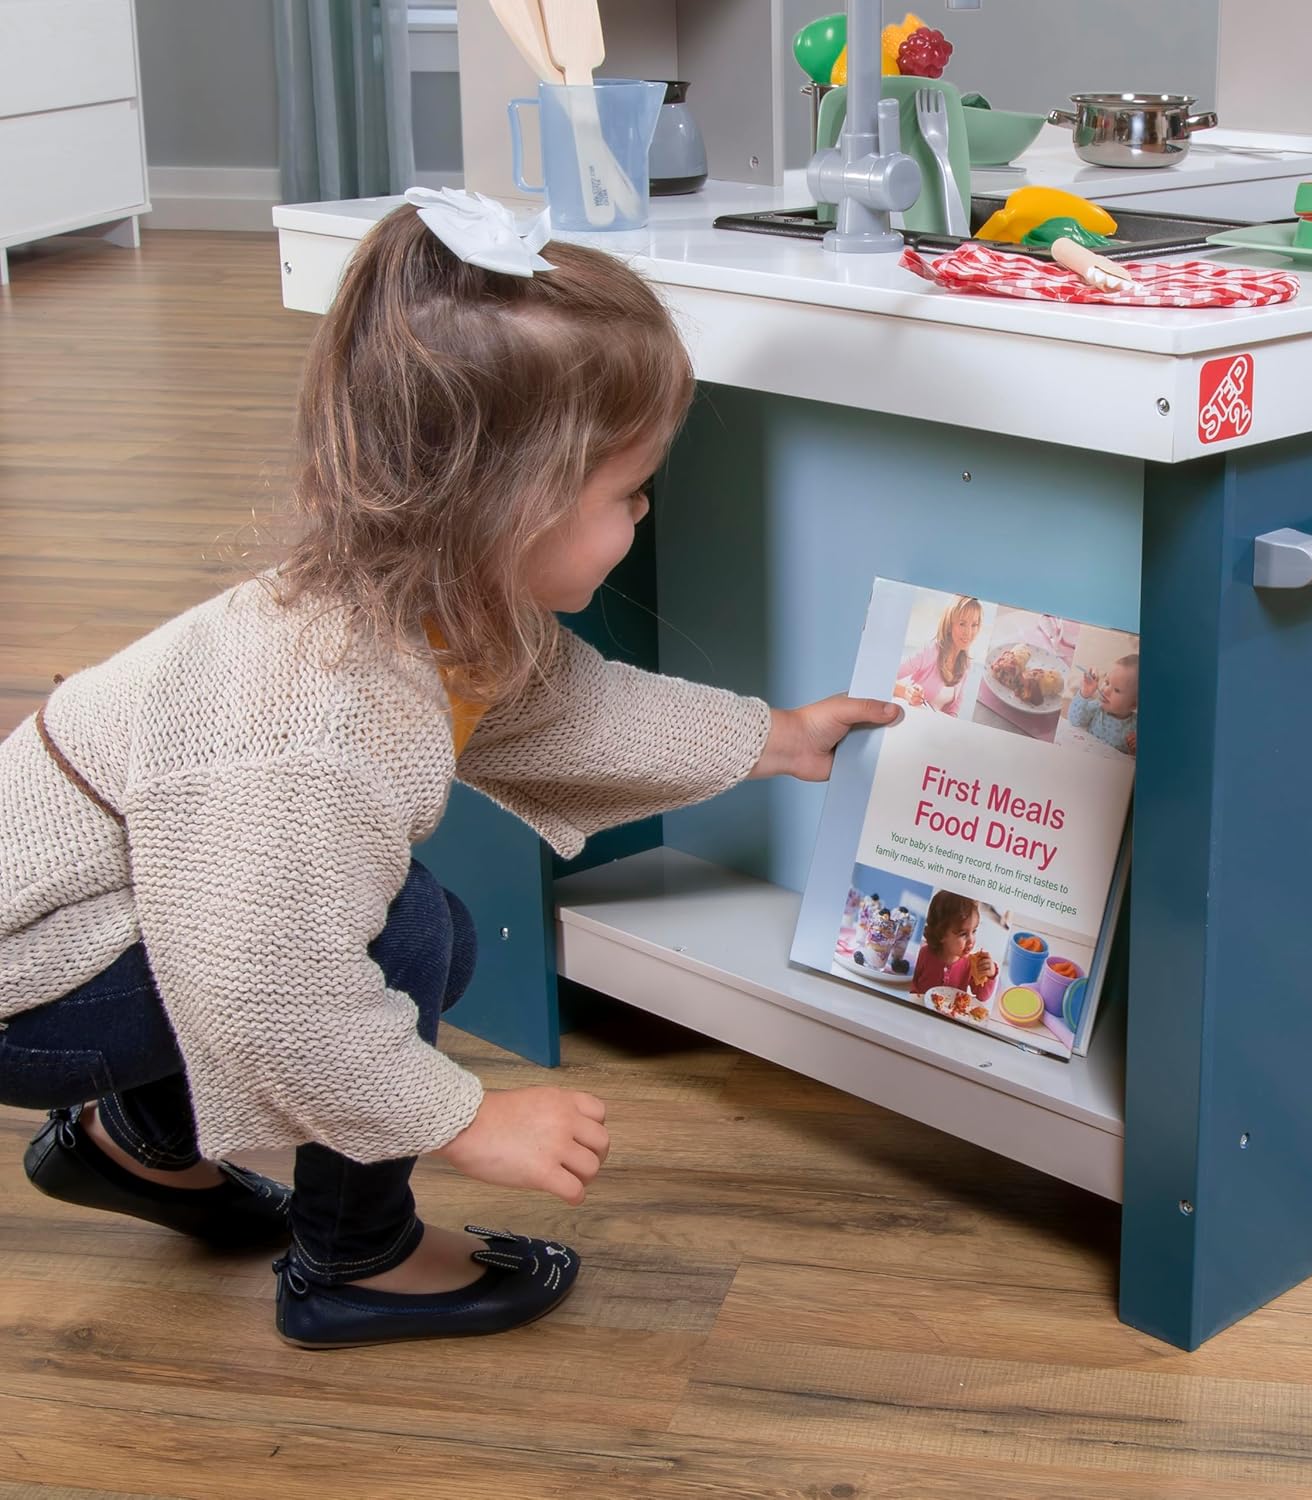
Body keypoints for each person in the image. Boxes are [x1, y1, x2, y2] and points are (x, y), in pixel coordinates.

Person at [0, 188, 899, 1350]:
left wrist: (775, 740)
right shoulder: (315, 713)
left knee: (409, 928)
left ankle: (144, 1148)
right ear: (514, 503)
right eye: (627, 492)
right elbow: (270, 988)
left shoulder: (430, 600)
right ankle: (358, 1262)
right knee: (402, 934)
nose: (643, 510)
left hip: (116, 923)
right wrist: (467, 1123)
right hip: (26, 981)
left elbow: (572, 713)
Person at [892, 595, 983, 716]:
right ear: (950, 625)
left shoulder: (965, 663)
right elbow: (887, 679)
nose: (969, 632)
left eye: (974, 625)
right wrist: (906, 692)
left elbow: (954, 707)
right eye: (962, 624)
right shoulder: (931, 651)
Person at [909, 892, 998, 1001]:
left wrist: (990, 974)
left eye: (974, 931)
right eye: (963, 934)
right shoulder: (923, 954)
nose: (971, 940)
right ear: (941, 934)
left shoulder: (970, 964)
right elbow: (909, 984)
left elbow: (982, 996)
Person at [1068, 653, 1139, 755]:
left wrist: (1135, 751)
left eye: (1117, 690)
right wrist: (1085, 693)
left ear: (1133, 704)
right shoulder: (1097, 707)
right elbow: (1075, 720)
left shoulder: (1135, 727)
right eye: (1107, 682)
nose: (1105, 690)